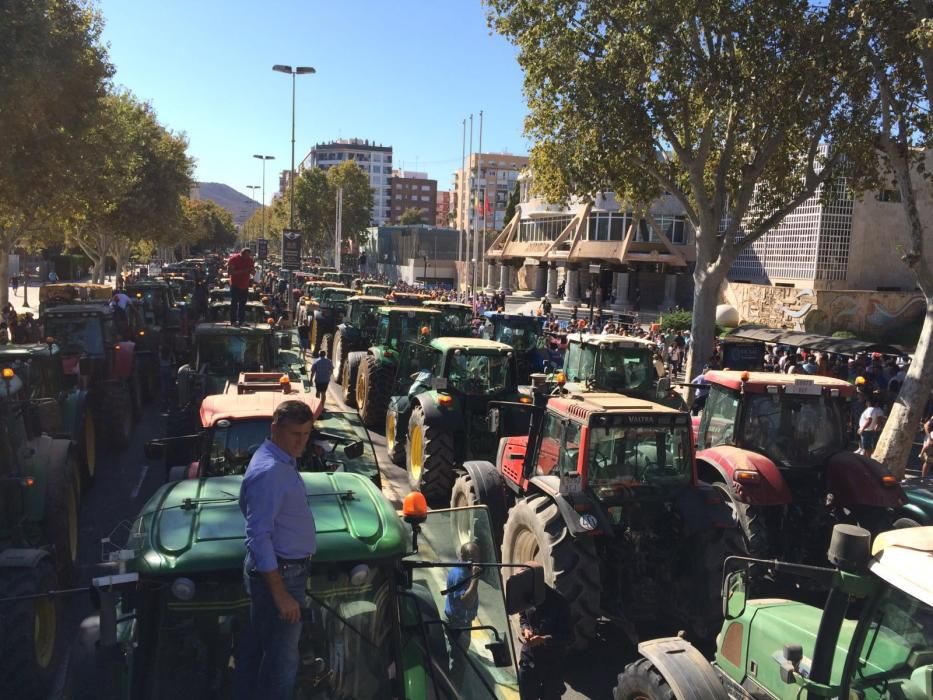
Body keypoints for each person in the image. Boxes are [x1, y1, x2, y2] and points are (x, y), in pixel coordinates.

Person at [235, 400, 316, 700]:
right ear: (275, 429)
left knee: (260, 650)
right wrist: (281, 594)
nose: (302, 442)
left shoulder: (278, 459)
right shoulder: (270, 471)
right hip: (282, 576)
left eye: (307, 434)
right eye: (296, 434)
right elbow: (257, 535)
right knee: (283, 662)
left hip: (284, 571)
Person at [518, 584, 571, 700]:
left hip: (551, 662)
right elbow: (523, 617)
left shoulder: (559, 602)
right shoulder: (527, 595)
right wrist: (525, 629)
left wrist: (544, 640)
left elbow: (568, 637)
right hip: (529, 658)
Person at [444, 542, 481, 677]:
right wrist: (475, 578)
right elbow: (466, 601)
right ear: (465, 558)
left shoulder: (464, 568)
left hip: (461, 621)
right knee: (458, 662)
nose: (477, 562)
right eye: (474, 559)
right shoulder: (461, 574)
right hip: (458, 624)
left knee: (458, 655)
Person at [228, 248, 255, 327]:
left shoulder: (250, 260)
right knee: (234, 303)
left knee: (243, 304)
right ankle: (233, 321)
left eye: (248, 255)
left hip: (245, 285)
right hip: (235, 285)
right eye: (246, 255)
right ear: (242, 254)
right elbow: (230, 272)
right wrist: (243, 271)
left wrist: (252, 271)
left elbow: (253, 271)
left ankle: (242, 321)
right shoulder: (233, 259)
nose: (247, 257)